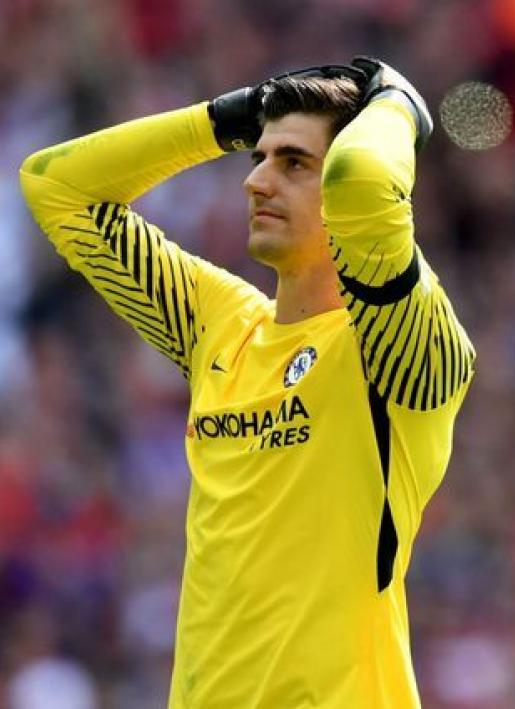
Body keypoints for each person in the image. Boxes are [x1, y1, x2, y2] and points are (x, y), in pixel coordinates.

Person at [20, 57, 475, 709]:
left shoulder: (400, 351)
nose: (256, 180)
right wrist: (226, 119)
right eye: (256, 159)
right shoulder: (221, 327)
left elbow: (364, 181)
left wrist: (398, 101)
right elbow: (55, 184)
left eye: (293, 163)